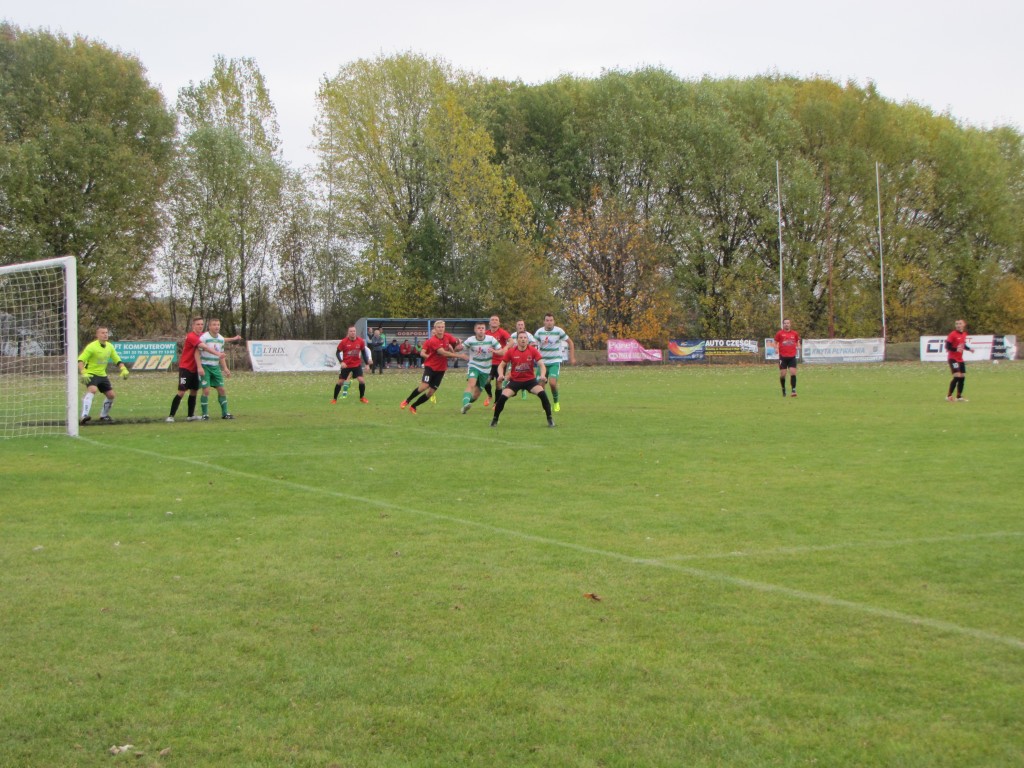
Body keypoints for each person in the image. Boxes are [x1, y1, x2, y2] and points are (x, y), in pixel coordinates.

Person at [491, 330, 555, 428]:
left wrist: (542, 375)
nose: (523, 340)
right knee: (502, 397)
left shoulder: (533, 350)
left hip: (530, 381)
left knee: (543, 394)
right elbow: (501, 366)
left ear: (528, 340)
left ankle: (550, 419)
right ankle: (495, 419)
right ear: (517, 340)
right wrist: (500, 375)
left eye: (525, 338)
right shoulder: (511, 351)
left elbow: (542, 365)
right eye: (520, 338)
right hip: (515, 381)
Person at [168, 318, 225, 422]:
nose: (200, 326)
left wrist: (233, 338)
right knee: (181, 391)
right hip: (186, 368)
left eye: (202, 324)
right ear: (193, 326)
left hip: (197, 369)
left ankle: (190, 415)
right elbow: (205, 347)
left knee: (194, 391)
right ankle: (171, 416)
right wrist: (218, 354)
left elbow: (217, 338)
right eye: (198, 324)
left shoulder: (202, 336)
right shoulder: (191, 336)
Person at [400, 321, 462, 414]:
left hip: (441, 369)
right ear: (434, 329)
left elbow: (454, 345)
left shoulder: (447, 337)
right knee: (424, 386)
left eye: (442, 327)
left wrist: (458, 344)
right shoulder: (431, 341)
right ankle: (407, 400)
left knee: (430, 393)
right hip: (431, 367)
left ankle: (414, 406)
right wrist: (458, 356)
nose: (440, 329)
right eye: (438, 327)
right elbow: (422, 353)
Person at [77, 325, 129, 425]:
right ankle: (84, 416)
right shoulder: (91, 347)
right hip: (91, 373)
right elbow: (80, 360)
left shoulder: (109, 346)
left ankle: (104, 415)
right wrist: (83, 372)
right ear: (97, 335)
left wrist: (123, 368)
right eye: (102, 333)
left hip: (102, 375)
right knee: (93, 390)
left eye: (106, 332)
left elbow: (116, 358)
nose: (105, 335)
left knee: (111, 395)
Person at [198, 318, 242, 420]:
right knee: (206, 390)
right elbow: (197, 351)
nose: (217, 326)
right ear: (209, 327)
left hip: (215, 367)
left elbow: (221, 355)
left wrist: (225, 368)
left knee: (221, 389)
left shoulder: (221, 339)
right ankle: (205, 414)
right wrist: (199, 366)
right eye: (214, 325)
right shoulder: (204, 338)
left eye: (218, 324)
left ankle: (225, 413)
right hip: (205, 366)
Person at [460, 321, 505, 414]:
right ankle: (465, 405)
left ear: (485, 330)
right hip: (474, 366)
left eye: (482, 328)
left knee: (476, 396)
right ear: (475, 330)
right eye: (479, 328)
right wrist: (456, 345)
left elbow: (502, 352)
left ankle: (467, 403)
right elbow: (460, 348)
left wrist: (495, 351)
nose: (481, 330)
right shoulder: (470, 340)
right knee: (471, 384)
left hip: (486, 369)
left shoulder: (491, 339)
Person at [535, 313, 576, 413]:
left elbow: (570, 342)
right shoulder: (539, 332)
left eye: (551, 320)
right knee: (540, 386)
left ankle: (556, 402)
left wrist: (572, 357)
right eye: (547, 320)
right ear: (544, 321)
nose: (549, 322)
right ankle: (545, 405)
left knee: (552, 383)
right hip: (542, 363)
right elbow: (533, 345)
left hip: (554, 362)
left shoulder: (559, 331)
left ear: (554, 321)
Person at [333, 326, 371, 403]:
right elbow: (337, 352)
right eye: (351, 331)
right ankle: (334, 399)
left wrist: (367, 364)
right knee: (340, 382)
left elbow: (363, 352)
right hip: (346, 365)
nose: (353, 332)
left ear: (355, 332)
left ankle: (362, 398)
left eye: (354, 331)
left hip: (356, 365)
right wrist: (341, 362)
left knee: (361, 381)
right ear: (348, 332)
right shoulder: (344, 342)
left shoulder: (360, 341)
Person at [482, 314, 511, 407]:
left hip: (500, 362)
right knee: (486, 381)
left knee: (499, 384)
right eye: (492, 320)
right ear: (489, 322)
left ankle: (496, 403)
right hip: (489, 362)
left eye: (496, 320)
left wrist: (505, 348)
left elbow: (512, 341)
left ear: (499, 323)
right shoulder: (485, 333)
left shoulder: (502, 332)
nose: (494, 321)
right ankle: (490, 395)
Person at [945, 318, 972, 402]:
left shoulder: (964, 334)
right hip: (953, 359)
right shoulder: (952, 334)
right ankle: (948, 396)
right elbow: (947, 346)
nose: (958, 325)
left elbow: (963, 345)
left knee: (962, 377)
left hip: (960, 359)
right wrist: (955, 349)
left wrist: (969, 349)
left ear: (964, 324)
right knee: (957, 376)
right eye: (956, 324)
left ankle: (959, 397)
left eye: (960, 323)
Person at [774, 318, 801, 397]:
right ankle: (783, 389)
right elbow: (775, 342)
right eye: (785, 323)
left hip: (792, 356)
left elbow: (798, 342)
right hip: (783, 357)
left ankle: (793, 390)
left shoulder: (794, 334)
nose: (786, 324)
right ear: (783, 324)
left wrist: (799, 346)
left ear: (790, 324)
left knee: (793, 372)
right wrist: (776, 348)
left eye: (788, 323)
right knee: (783, 374)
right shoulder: (779, 333)